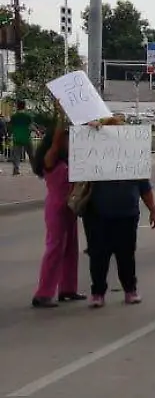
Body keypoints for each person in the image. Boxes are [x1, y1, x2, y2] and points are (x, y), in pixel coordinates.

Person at [82, 119, 155, 307]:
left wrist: (153, 210)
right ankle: (98, 293)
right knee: (98, 256)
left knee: (126, 255)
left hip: (127, 215)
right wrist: (87, 130)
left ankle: (130, 290)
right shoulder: (93, 155)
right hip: (97, 215)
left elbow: (145, 187)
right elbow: (77, 149)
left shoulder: (133, 158)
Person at [30, 110, 82, 308]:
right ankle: (43, 293)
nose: (69, 142)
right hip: (56, 207)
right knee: (55, 248)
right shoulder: (50, 158)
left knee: (71, 248)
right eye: (66, 139)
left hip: (70, 207)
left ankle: (68, 289)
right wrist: (61, 113)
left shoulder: (68, 160)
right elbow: (57, 137)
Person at [9, 99, 35, 175]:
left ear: (17, 106)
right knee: (31, 154)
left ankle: (16, 169)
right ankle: (35, 169)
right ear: (24, 106)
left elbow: (11, 127)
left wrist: (9, 135)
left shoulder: (14, 116)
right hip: (26, 137)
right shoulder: (28, 116)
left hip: (17, 137)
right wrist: (37, 132)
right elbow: (31, 126)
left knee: (16, 155)